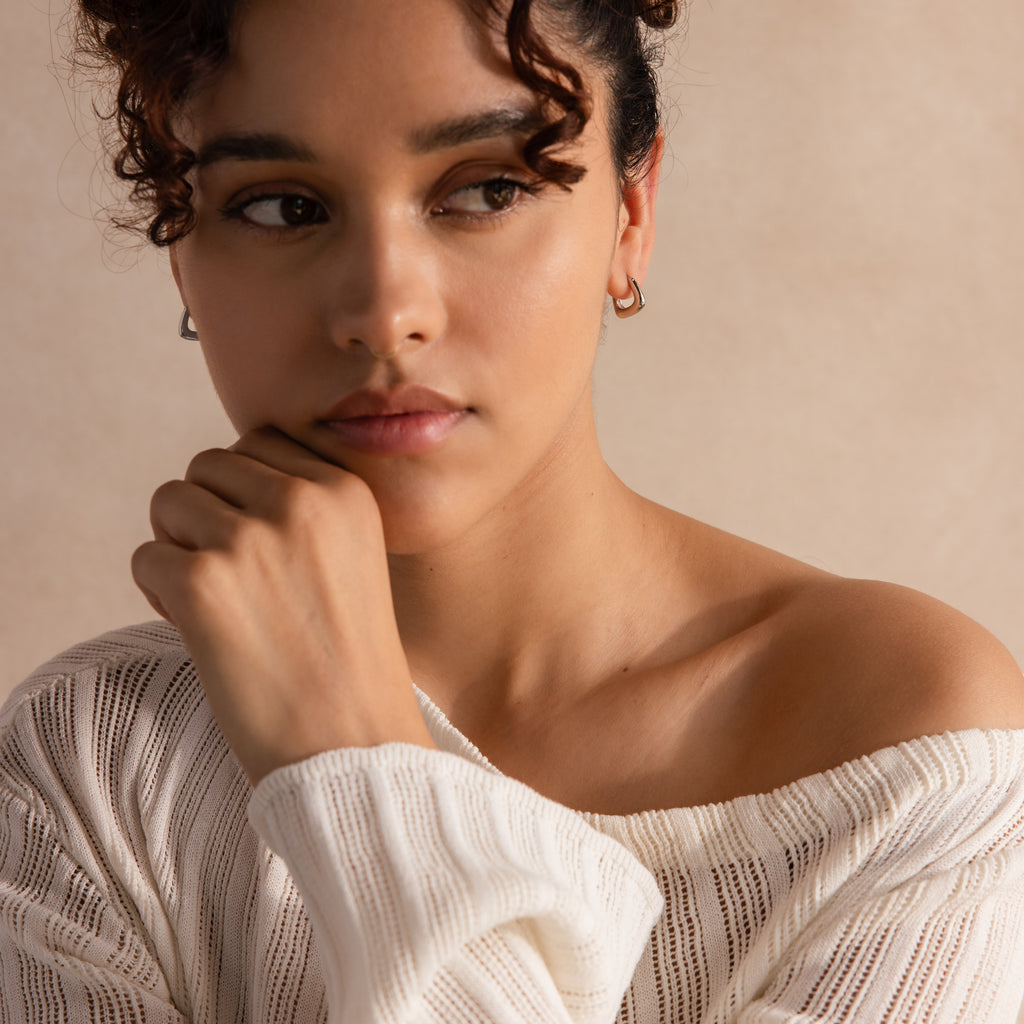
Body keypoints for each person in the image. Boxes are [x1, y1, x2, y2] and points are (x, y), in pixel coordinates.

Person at [2, 0, 1024, 1020]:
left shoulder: (911, 744)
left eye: (488, 189)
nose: (384, 313)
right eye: (282, 207)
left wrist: (352, 764)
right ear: (182, 253)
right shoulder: (92, 766)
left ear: (632, 213)